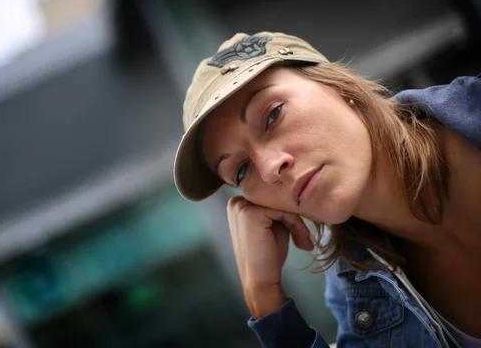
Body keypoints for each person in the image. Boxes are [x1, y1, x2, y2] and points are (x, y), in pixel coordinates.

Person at [173, 31, 481, 347]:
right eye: (241, 170)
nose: (269, 169)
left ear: (337, 86)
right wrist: (265, 298)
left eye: (273, 114)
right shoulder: (359, 298)